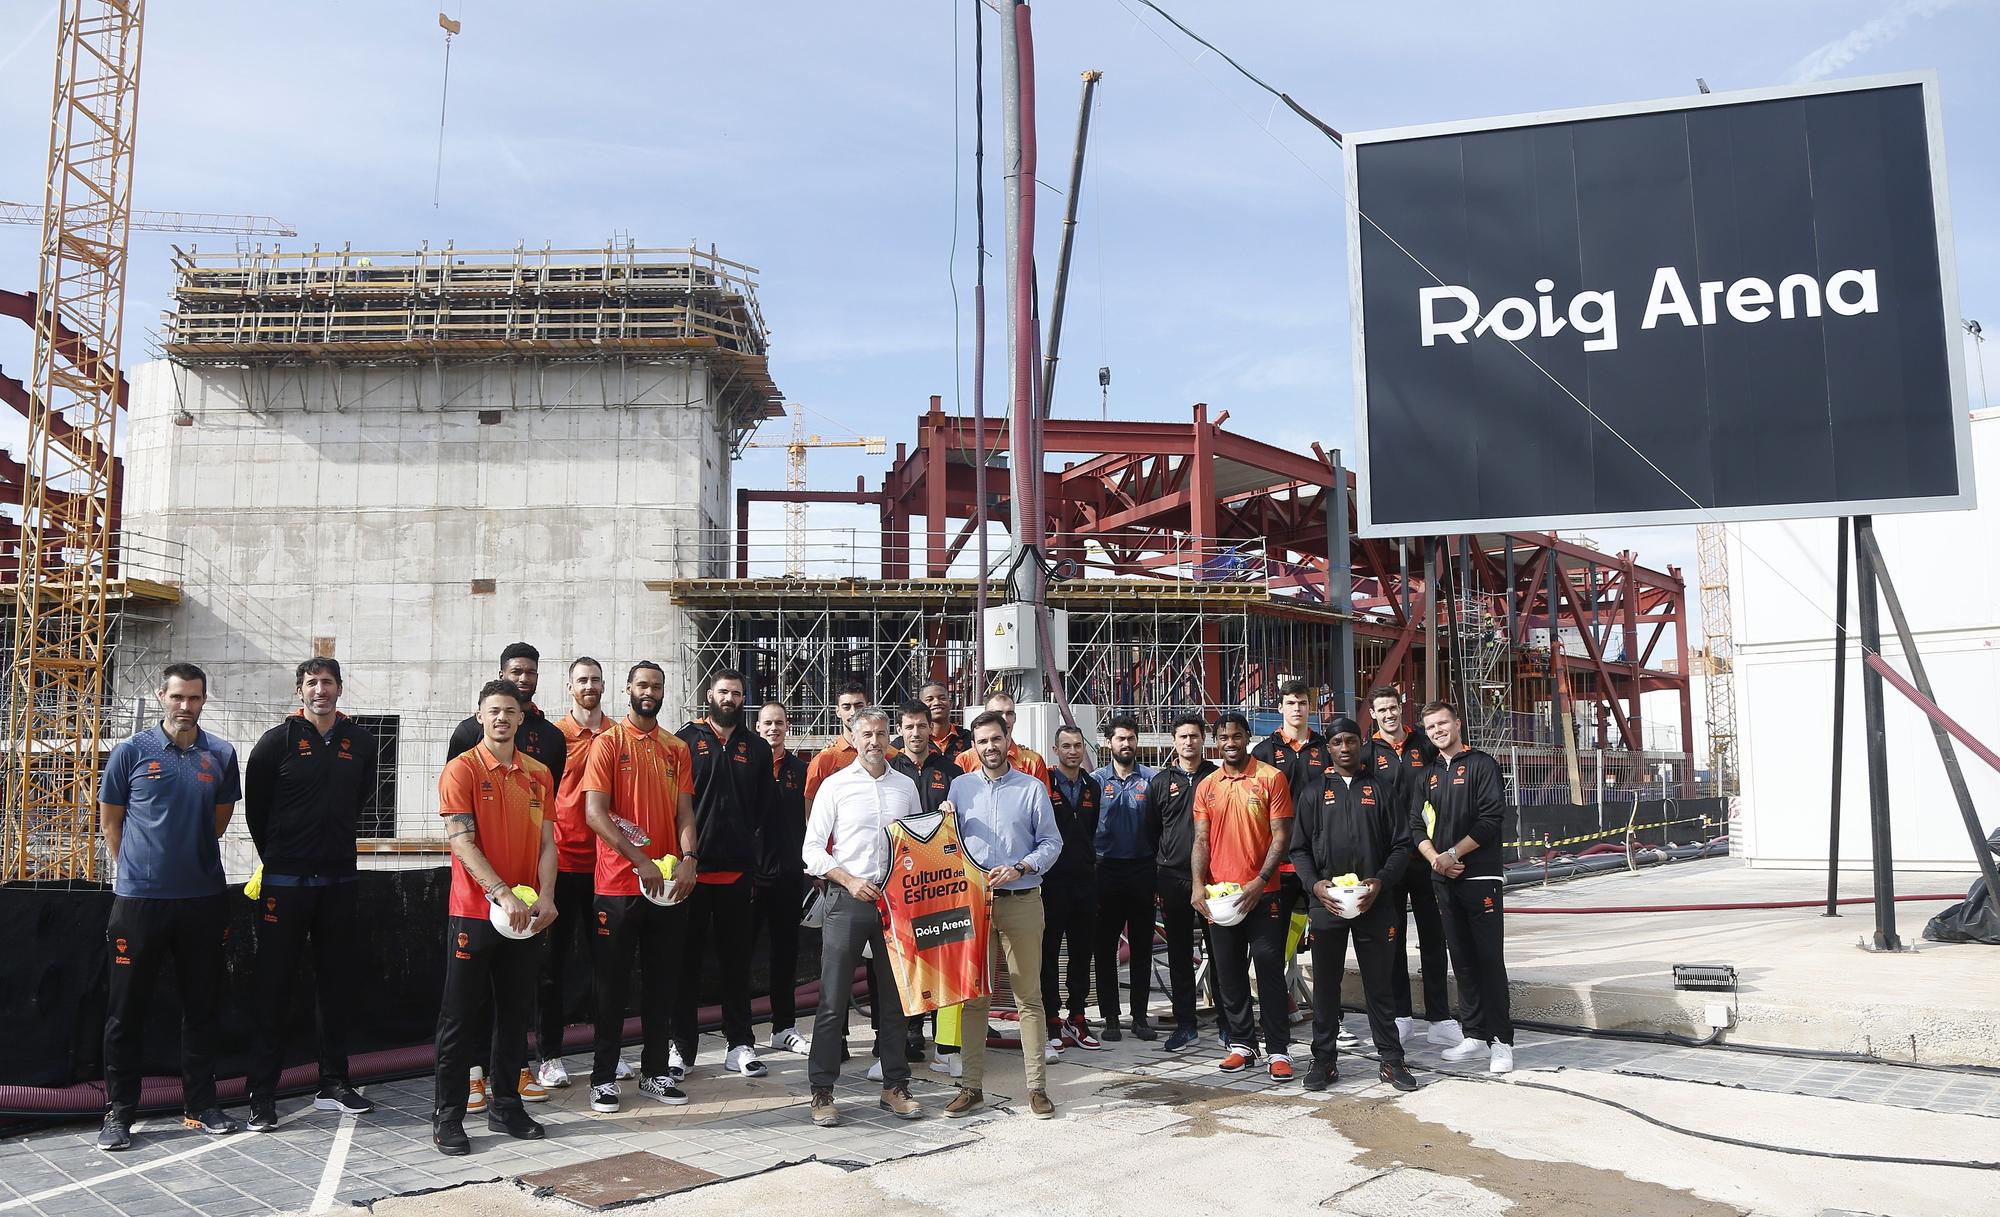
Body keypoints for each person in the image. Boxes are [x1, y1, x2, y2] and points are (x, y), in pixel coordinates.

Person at [96, 663, 245, 1152]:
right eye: (178, 697)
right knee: (125, 1013)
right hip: (139, 903)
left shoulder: (221, 754)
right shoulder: (130, 752)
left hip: (202, 900)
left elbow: (218, 823)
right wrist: (138, 871)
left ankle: (200, 1105)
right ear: (161, 695)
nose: (186, 706)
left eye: (195, 698)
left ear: (205, 700)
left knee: (202, 1009)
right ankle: (120, 1113)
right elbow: (112, 821)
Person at [243, 657, 378, 1132]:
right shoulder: (275, 742)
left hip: (339, 880)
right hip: (285, 883)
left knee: (336, 984)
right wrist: (282, 857)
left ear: (340, 688)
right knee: (274, 989)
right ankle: (262, 1093)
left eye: (328, 682)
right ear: (299, 690)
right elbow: (256, 809)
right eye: (311, 683)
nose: (320, 690)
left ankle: (334, 1083)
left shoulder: (359, 742)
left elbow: (359, 797)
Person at [431, 681, 559, 1156]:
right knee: (459, 1016)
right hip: (475, 911)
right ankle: (448, 1116)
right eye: (493, 711)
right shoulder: (461, 770)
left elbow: (549, 842)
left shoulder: (540, 774)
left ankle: (507, 1106)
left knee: (514, 1013)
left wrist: (545, 896)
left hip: (525, 915)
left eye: (510, 711)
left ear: (521, 717)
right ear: (479, 717)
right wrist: (501, 892)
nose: (502, 718)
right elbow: (461, 841)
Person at [581, 662, 699, 1113]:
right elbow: (595, 814)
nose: (649, 692)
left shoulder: (675, 748)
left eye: (657, 686)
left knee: (661, 983)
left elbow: (685, 814)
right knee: (610, 985)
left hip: (666, 887)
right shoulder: (608, 743)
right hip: (617, 884)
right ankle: (603, 1078)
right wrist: (640, 861)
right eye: (642, 685)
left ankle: (654, 1072)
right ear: (628, 690)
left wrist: (689, 860)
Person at [801, 708, 925, 1127]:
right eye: (866, 734)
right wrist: (847, 879)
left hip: (894, 904)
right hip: (848, 898)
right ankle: (821, 1090)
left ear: (890, 737)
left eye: (881, 733)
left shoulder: (906, 787)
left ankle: (895, 1085)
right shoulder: (834, 786)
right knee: (833, 999)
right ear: (852, 738)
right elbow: (812, 850)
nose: (874, 741)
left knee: (895, 999)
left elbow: (915, 843)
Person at [942, 711, 1063, 1120]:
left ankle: (1037, 1087)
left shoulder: (1031, 789)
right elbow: (945, 843)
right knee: (975, 998)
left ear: (1007, 739)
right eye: (982, 742)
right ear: (972, 747)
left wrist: (1022, 866)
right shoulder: (959, 789)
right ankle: (971, 1087)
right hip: (974, 905)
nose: (990, 747)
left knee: (1029, 997)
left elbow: (1051, 842)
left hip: (1021, 899)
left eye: (996, 739)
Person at [1289, 717, 1419, 1092]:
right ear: (1327, 748)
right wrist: (1315, 887)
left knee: (1380, 985)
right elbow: (1298, 849)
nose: (1344, 748)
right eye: (1337, 742)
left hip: (1374, 903)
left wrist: (1381, 881)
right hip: (1327, 905)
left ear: (1361, 744)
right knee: (1326, 986)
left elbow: (1400, 845)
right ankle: (1324, 1060)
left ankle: (1392, 1061)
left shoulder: (1382, 789)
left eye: (1350, 741)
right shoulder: (1314, 793)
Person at [672, 669, 775, 1079]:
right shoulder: (684, 740)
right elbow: (674, 805)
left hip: (737, 874)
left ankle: (740, 1045)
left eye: (736, 692)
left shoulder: (757, 748)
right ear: (709, 695)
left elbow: (763, 808)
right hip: (690, 873)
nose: (729, 698)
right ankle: (680, 1047)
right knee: (686, 965)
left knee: (736, 965)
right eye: (723, 691)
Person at [1190, 712, 1295, 1082]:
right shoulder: (1207, 786)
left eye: (1236, 736)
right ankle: (1241, 1044)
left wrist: (1260, 880)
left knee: (1268, 970)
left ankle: (1279, 1050)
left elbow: (1281, 836)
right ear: (1215, 742)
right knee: (1228, 972)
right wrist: (1198, 885)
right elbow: (1201, 839)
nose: (1230, 742)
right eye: (1223, 737)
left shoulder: (1271, 778)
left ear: (1248, 737)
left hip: (1263, 894)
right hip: (1221, 897)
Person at [1412, 701, 1514, 1074]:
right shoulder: (1428, 775)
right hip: (1444, 878)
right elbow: (1415, 825)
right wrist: (1436, 859)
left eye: (1443, 723)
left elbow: (1490, 818)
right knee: (1463, 961)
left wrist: (1453, 853)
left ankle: (1501, 1041)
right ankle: (1473, 1033)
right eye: (1431, 727)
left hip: (1479, 876)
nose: (1438, 730)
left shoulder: (1481, 764)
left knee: (1488, 960)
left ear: (1457, 724)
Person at [538, 657, 626, 1091]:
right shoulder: (555, 737)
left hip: (608, 867)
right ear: (569, 686)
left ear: (605, 685)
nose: (589, 686)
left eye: (595, 679)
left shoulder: (618, 735)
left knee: (608, 967)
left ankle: (607, 1054)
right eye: (581, 680)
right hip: (562, 863)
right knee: (552, 967)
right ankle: (550, 1056)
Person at [1362, 684, 1462, 1049]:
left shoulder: (1423, 744)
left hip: (1427, 856)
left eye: (1393, 707)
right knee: (1392, 939)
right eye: (1381, 710)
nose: (1389, 714)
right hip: (1390, 858)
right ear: (1372, 714)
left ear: (1401, 708)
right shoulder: (1368, 752)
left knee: (1434, 937)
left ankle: (1440, 1017)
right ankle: (1401, 1015)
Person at [1250, 678, 1328, 1040]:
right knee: (1272, 945)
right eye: (1290, 703)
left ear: (1310, 708)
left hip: (1318, 861)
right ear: (1280, 708)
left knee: (1327, 942)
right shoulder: (1264, 751)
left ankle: (1331, 1019)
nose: (1297, 708)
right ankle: (1275, 1014)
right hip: (1278, 863)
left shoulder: (1324, 749)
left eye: (1302, 702)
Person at [890, 700, 963, 1076]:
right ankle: (910, 1033)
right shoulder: (888, 770)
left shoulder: (951, 772)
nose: (916, 733)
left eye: (921, 726)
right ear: (900, 729)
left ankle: (946, 1043)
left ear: (929, 728)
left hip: (942, 883)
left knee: (944, 959)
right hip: (902, 884)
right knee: (909, 959)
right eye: (909, 726)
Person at [1147, 713, 1215, 1053]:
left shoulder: (1217, 778)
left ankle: (1231, 1025)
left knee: (1220, 952)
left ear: (1204, 739)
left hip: (1214, 879)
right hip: (1173, 878)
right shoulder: (1160, 783)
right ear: (1174, 741)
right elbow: (1152, 831)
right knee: (1178, 954)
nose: (1189, 742)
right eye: (1183, 737)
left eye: (1194, 736)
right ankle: (1186, 1024)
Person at [1092, 715, 1158, 1042]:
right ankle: (1111, 1018)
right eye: (1120, 739)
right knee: (1105, 949)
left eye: (1131, 738)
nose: (1127, 744)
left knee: (1143, 947)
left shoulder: (1152, 780)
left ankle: (1141, 1017)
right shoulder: (1094, 782)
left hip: (1143, 870)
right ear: (1109, 743)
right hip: (1106, 871)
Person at [752, 702, 811, 1056]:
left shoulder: (801, 770)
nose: (773, 728)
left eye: (779, 723)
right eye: (767, 723)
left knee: (785, 956)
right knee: (738, 955)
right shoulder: (746, 766)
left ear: (787, 727)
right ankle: (739, 1036)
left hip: (789, 876)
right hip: (751, 878)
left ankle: (784, 1027)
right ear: (758, 727)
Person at [1043, 725, 1102, 1055]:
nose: (1073, 751)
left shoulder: (1092, 787)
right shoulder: (1045, 785)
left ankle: (1077, 1017)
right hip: (1052, 883)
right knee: (1049, 955)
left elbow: (1091, 832)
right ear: (1056, 750)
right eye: (1065, 746)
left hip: (1085, 882)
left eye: (1078, 745)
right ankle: (1052, 1019)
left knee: (1082, 954)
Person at [804, 680, 880, 804]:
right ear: (837, 711)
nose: (853, 712)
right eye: (846, 707)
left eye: (859, 705)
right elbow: (812, 813)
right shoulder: (825, 759)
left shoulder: (887, 754)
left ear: (869, 707)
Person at [954, 691, 1050, 786]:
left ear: (1015, 718)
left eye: (1009, 713)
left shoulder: (1033, 761)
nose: (1005, 719)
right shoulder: (965, 760)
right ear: (986, 715)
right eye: (998, 713)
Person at [913, 680, 969, 760]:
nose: (936, 702)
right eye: (929, 699)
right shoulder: (912, 740)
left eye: (942, 698)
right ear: (920, 705)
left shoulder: (967, 737)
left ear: (950, 703)